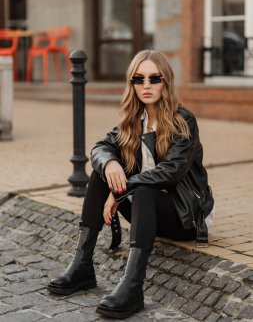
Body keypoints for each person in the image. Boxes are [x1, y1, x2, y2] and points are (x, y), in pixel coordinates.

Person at [47, 49, 214, 319]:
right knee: (101, 174)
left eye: (154, 79)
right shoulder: (133, 120)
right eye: (139, 79)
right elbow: (101, 147)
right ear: (132, 83)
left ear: (166, 82)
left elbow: (170, 172)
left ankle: (133, 287)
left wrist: (123, 189)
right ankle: (82, 266)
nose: (146, 86)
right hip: (147, 209)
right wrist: (111, 164)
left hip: (185, 215)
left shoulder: (184, 121)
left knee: (144, 188)